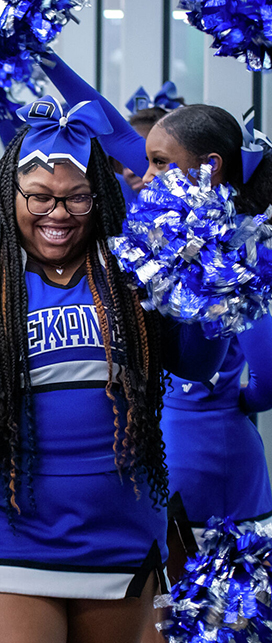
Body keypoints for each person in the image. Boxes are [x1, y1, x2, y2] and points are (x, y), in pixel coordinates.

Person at [0, 97, 229, 643]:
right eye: (41, 197)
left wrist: (209, 278)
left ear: (100, 196)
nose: (59, 213)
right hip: (3, 524)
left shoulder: (134, 264)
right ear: (10, 194)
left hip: (119, 525)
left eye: (77, 197)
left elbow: (197, 362)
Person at [141, 104, 272, 573]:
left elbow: (269, 375)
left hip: (206, 458)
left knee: (210, 602)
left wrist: (234, 400)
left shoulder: (232, 247)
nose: (145, 175)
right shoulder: (180, 233)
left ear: (210, 165)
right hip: (192, 451)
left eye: (158, 162)